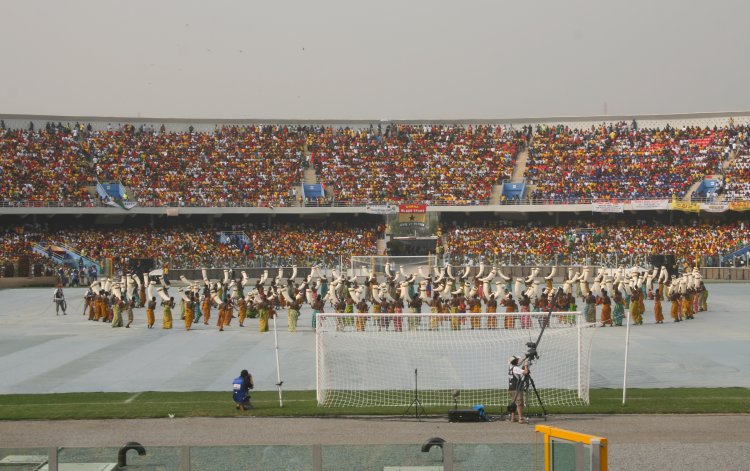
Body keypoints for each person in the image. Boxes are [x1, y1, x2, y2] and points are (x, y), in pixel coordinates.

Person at [508, 355, 529, 424]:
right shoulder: (515, 368)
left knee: (513, 403)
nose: (518, 361)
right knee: (519, 404)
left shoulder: (511, 367)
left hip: (511, 388)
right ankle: (521, 418)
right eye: (517, 360)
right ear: (515, 361)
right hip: (516, 389)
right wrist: (526, 365)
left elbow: (518, 365)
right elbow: (525, 372)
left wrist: (524, 359)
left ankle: (513, 418)